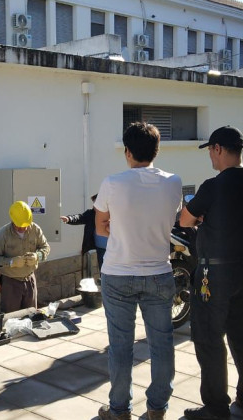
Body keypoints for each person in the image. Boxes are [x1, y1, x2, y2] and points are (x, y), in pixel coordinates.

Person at [94, 122, 183, 420]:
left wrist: (120, 225)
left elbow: (100, 228)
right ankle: (157, 408)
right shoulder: (174, 182)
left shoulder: (112, 182)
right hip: (159, 272)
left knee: (120, 346)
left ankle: (119, 410)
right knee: (162, 343)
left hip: (118, 273)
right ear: (157, 151)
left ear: (127, 152)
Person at [179, 126, 243, 420]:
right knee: (242, 338)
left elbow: (185, 218)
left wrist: (202, 217)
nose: (210, 159)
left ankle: (216, 407)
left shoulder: (213, 186)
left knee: (208, 338)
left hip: (214, 276)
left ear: (217, 149)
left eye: (211, 152)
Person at [0, 201, 50, 313]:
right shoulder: (2, 234)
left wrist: (38, 256)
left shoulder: (35, 229)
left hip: (30, 279)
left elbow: (46, 248)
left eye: (26, 225)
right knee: (10, 319)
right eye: (19, 225)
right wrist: (11, 262)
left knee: (31, 316)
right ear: (12, 220)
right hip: (10, 282)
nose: (23, 228)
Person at [60, 194, 107, 275]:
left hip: (113, 248)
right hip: (100, 248)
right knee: (103, 271)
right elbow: (79, 217)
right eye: (94, 203)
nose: (94, 205)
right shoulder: (90, 213)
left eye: (96, 203)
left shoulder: (112, 213)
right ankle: (105, 285)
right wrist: (68, 219)